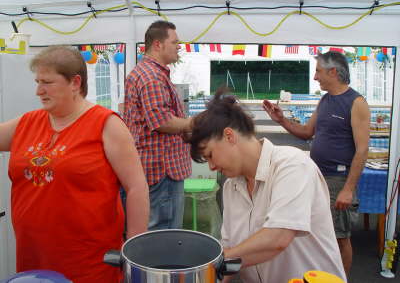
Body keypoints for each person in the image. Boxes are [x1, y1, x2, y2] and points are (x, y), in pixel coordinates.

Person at [0, 46, 149, 283]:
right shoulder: (27, 122)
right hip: (33, 256)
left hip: (88, 260)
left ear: (75, 83)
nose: (39, 90)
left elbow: (137, 188)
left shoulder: (105, 124)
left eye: (47, 82)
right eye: (37, 81)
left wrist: (134, 251)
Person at [188, 89, 347, 283]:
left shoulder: (291, 165)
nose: (212, 167)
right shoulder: (232, 187)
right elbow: (232, 253)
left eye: (210, 155)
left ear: (229, 136)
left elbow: (277, 238)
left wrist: (213, 263)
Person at [263, 51, 370, 277]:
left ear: (333, 72)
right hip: (314, 175)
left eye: (318, 71)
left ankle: (339, 280)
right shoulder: (325, 100)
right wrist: (281, 120)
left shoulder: (357, 102)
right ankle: (319, 277)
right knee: (316, 235)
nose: (315, 77)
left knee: (340, 238)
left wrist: (348, 189)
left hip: (336, 181)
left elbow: (362, 150)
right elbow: (306, 132)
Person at [124, 20, 192, 230]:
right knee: (163, 235)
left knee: (152, 232)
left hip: (153, 170)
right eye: (174, 42)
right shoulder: (152, 77)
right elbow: (162, 121)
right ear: (158, 44)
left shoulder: (146, 72)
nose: (178, 46)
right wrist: (194, 123)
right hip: (162, 173)